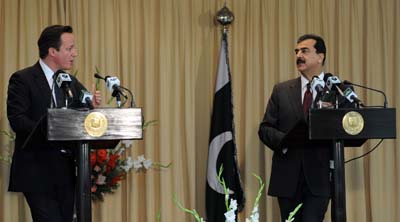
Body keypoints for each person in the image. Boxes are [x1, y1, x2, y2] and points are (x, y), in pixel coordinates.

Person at [7, 25, 101, 222]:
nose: (75, 54)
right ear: (52, 51)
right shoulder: (22, 79)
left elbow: (83, 117)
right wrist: (51, 128)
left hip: (66, 172)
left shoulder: (70, 82)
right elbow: (17, 119)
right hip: (37, 171)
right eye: (69, 48)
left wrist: (91, 105)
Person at [258, 34, 334, 222]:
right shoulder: (281, 90)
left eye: (305, 51)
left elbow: (349, 123)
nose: (298, 55)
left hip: (319, 177)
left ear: (320, 56)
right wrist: (285, 141)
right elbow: (265, 128)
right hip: (287, 176)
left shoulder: (335, 89)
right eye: (297, 51)